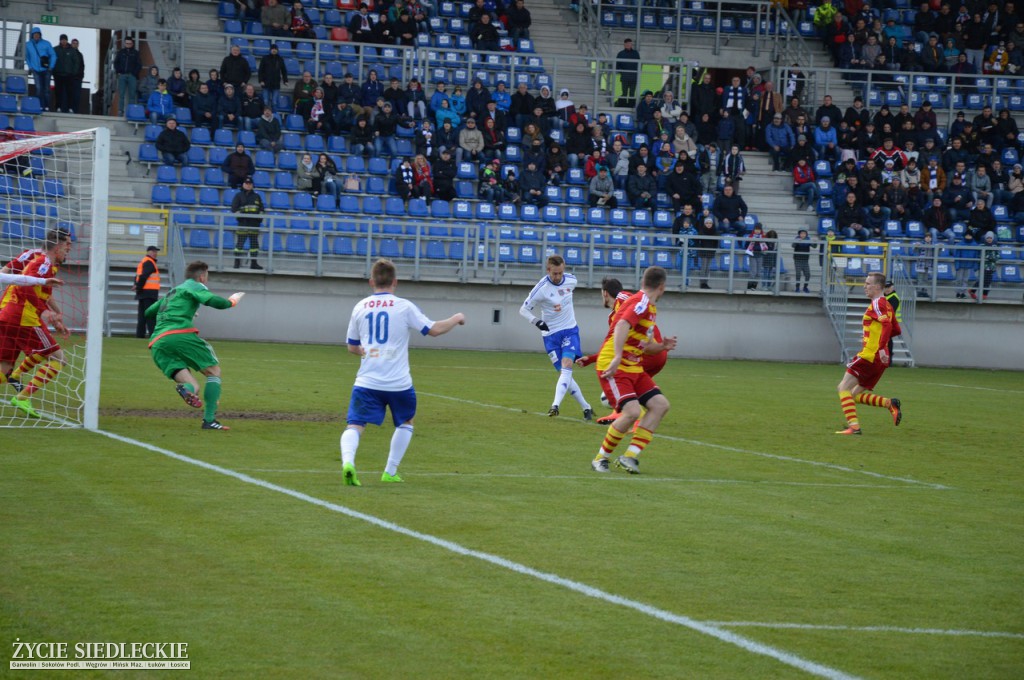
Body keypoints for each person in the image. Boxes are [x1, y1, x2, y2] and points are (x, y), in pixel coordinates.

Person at [341, 259, 466, 485]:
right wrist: (456, 318)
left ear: (371, 282)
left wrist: (368, 352)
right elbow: (434, 330)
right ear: (395, 282)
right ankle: (389, 472)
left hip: (367, 380)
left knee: (355, 424)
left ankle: (348, 463)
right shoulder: (404, 306)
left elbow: (351, 347)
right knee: (406, 422)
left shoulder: (360, 306)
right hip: (398, 383)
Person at [591, 266, 677, 473]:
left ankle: (629, 456)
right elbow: (622, 325)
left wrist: (662, 347)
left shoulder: (649, 306)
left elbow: (646, 346)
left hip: (633, 366)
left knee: (660, 405)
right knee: (632, 412)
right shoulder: (642, 303)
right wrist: (618, 356)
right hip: (614, 364)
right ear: (662, 287)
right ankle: (600, 459)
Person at [145, 261, 244, 431]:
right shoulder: (196, 286)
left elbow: (148, 312)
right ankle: (209, 420)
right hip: (179, 335)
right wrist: (231, 302)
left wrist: (184, 312)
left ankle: (187, 389)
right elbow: (214, 301)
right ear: (201, 276)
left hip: (157, 343)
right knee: (213, 372)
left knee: (193, 386)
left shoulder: (173, 292)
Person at [577, 277, 671, 425]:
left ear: (605, 293)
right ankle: (627, 416)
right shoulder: (623, 305)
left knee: (626, 381)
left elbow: (622, 338)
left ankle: (628, 418)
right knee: (638, 386)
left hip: (646, 352)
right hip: (654, 352)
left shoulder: (623, 301)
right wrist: (591, 359)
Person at [0, 229, 72, 417]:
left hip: (10, 316)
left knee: (5, 367)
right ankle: (22, 397)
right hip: (23, 318)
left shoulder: (50, 266)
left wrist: (56, 316)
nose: (69, 250)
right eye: (66, 246)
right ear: (57, 247)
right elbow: (25, 287)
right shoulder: (42, 262)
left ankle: (16, 378)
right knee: (58, 358)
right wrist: (46, 312)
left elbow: (41, 294)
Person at [519, 255, 594, 420]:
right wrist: (537, 321)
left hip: (569, 330)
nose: (558, 277)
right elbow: (523, 310)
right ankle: (586, 407)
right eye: (554, 273)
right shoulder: (541, 289)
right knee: (564, 373)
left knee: (567, 365)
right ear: (548, 270)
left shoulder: (571, 281)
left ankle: (555, 405)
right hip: (550, 336)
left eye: (560, 273)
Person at [835, 272, 903, 435]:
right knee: (853, 395)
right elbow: (896, 329)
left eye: (868, 284)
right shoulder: (885, 303)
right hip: (879, 359)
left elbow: (887, 325)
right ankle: (889, 403)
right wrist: (878, 340)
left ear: (878, 287)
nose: (864, 286)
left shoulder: (878, 303)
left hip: (870, 355)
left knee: (842, 387)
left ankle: (854, 427)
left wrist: (879, 347)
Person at [229, 177, 264, 270]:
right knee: (239, 244)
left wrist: (258, 220)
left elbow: (261, 210)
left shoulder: (257, 196)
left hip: (254, 224)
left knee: (254, 245)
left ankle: (254, 263)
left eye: (250, 184)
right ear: (243, 184)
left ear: (252, 185)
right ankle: (236, 263)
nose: (248, 185)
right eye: (246, 183)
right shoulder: (238, 195)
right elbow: (234, 209)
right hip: (243, 223)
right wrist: (241, 218)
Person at [133, 245, 161, 339]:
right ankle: (153, 334)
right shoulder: (150, 262)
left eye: (156, 252)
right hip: (149, 293)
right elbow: (144, 276)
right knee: (150, 315)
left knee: (142, 316)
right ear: (148, 252)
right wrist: (138, 287)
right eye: (153, 251)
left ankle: (140, 335)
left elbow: (139, 275)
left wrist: (137, 286)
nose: (155, 253)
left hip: (143, 293)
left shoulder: (144, 261)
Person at [25, 28, 57, 112]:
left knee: (46, 89)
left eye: (38, 34)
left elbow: (53, 55)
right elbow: (27, 57)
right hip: (35, 70)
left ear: (40, 35)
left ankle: (46, 106)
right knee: (38, 88)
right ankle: (39, 105)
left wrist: (51, 67)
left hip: (46, 70)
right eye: (34, 34)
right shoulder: (28, 45)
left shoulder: (46, 43)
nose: (36, 35)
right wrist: (30, 67)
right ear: (32, 35)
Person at [52, 34, 82, 114]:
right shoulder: (55, 49)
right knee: (58, 92)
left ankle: (70, 108)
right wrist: (53, 70)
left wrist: (73, 72)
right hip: (58, 74)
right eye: (62, 40)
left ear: (67, 40)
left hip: (69, 75)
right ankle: (58, 107)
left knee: (70, 92)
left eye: (65, 39)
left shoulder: (72, 50)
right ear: (60, 40)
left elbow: (76, 62)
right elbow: (51, 59)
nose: (63, 41)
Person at [615, 38, 640, 106]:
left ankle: (631, 106)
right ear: (624, 44)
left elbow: (639, 64)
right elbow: (617, 65)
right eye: (628, 44)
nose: (629, 45)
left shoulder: (636, 53)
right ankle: (623, 105)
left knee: (632, 93)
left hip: (634, 77)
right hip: (625, 77)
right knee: (624, 92)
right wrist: (622, 72)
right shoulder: (620, 54)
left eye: (630, 44)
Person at [792, 229, 813, 293]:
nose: (803, 235)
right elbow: (793, 245)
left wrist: (813, 242)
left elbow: (814, 246)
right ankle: (797, 287)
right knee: (798, 274)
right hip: (797, 260)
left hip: (805, 260)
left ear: (806, 234)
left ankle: (805, 287)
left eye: (804, 233)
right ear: (799, 234)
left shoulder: (808, 240)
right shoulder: (796, 239)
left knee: (808, 274)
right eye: (801, 233)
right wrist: (797, 241)